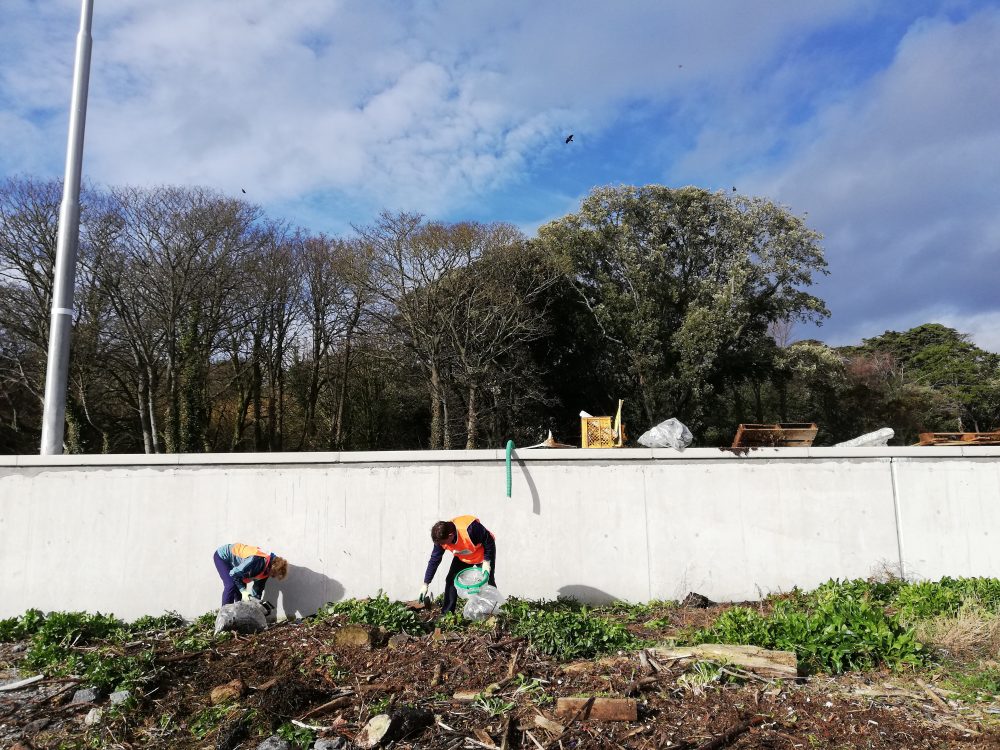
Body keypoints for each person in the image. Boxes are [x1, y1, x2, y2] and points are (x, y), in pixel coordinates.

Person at [419, 515, 496, 615]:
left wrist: (487, 561)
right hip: (463, 556)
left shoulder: (470, 529)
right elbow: (434, 559)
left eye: (444, 543)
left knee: (488, 582)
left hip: (482, 555)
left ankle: (492, 611)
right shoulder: (440, 538)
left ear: (451, 535)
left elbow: (488, 541)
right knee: (451, 580)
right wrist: (426, 583)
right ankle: (447, 614)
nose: (443, 546)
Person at [213, 543, 288, 606]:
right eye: (274, 574)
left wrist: (255, 603)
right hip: (223, 556)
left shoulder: (267, 570)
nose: (273, 576)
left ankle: (236, 617)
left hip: (238, 564)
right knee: (231, 585)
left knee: (240, 594)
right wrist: (244, 591)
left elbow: (258, 589)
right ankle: (224, 616)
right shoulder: (257, 561)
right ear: (273, 567)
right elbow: (234, 574)